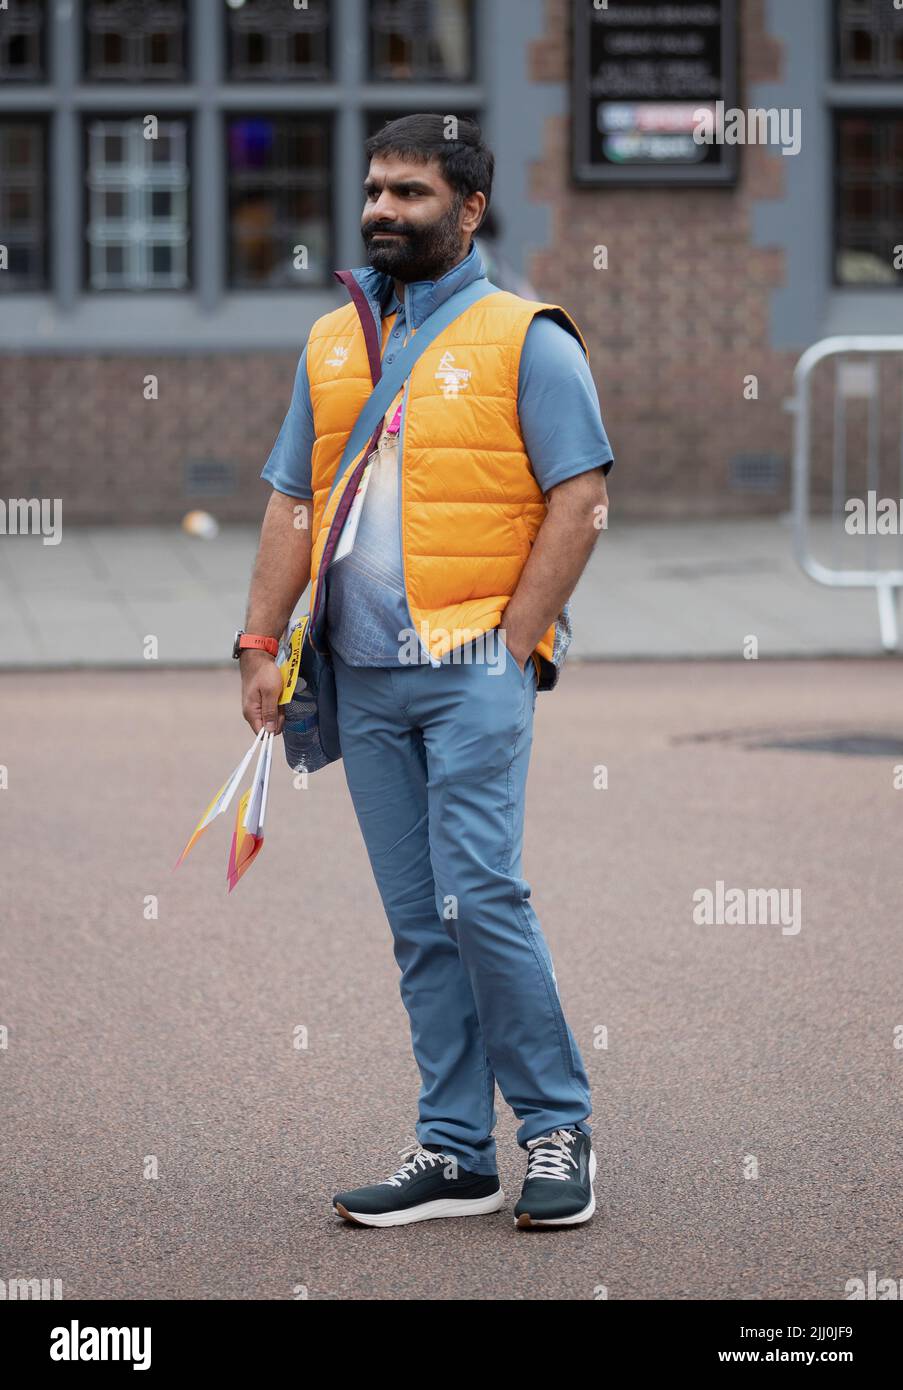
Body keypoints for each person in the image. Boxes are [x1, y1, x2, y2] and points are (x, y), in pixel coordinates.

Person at [240, 114, 615, 1230]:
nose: (382, 210)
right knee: (418, 919)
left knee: (481, 897)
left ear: (469, 208)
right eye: (374, 190)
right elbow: (292, 501)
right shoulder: (330, 342)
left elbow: (581, 499)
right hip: (358, 673)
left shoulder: (528, 336)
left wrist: (513, 641)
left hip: (469, 664)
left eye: (408, 192)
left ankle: (555, 1127)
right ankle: (455, 1152)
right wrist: (259, 641)